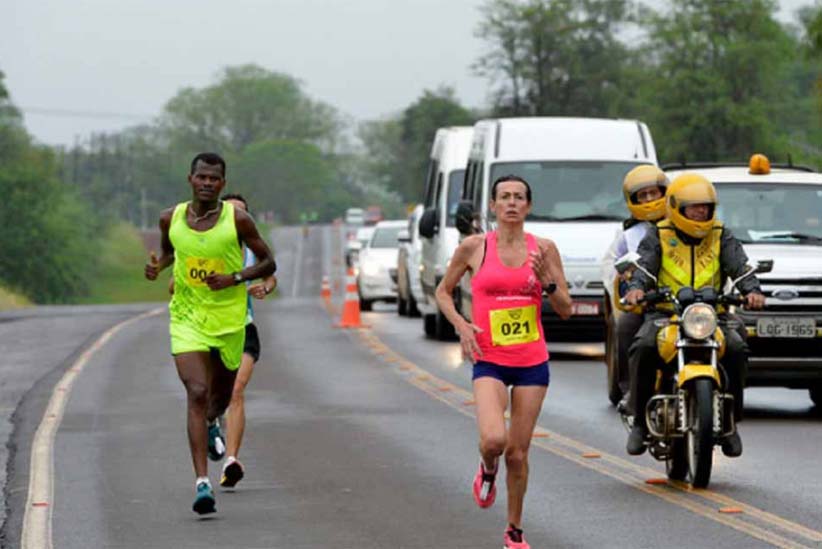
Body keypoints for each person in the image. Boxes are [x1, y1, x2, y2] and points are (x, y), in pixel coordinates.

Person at [435, 175, 572, 549]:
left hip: (531, 361)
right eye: (504, 197)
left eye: (519, 197)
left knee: (518, 452)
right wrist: (461, 325)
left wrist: (548, 283)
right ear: (493, 206)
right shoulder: (474, 247)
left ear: (528, 206)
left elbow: (565, 310)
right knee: (495, 440)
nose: (511, 203)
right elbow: (443, 292)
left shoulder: (544, 249)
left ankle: (514, 530)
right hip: (489, 358)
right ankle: (486, 469)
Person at [144, 152, 275, 515]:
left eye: (213, 179)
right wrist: (158, 266)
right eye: (201, 177)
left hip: (230, 321)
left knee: (218, 401)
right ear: (190, 179)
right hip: (187, 316)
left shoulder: (240, 221)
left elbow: (268, 263)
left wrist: (234, 278)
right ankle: (202, 482)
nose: (206, 183)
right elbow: (170, 252)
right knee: (196, 392)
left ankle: (214, 424)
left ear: (222, 184)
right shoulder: (171, 217)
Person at [623, 173, 765, 458]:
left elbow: (740, 266)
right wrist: (637, 289)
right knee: (643, 347)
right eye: (694, 206)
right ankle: (639, 421)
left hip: (713, 315)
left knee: (737, 348)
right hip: (666, 314)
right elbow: (645, 268)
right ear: (676, 207)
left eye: (706, 206)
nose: (701, 211)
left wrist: (752, 290)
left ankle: (732, 422)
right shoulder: (659, 234)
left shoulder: (720, 234)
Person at [219, 193, 278, 488]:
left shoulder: (253, 251)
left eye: (241, 213)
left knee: (236, 390)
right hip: (209, 330)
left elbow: (270, 276)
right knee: (210, 397)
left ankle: (231, 461)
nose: (235, 217)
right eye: (229, 211)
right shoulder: (207, 248)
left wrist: (265, 288)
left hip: (244, 327)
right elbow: (175, 282)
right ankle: (213, 423)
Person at [601, 165, 669, 410]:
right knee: (626, 327)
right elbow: (610, 265)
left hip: (686, 301)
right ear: (633, 200)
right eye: (644, 195)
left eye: (654, 193)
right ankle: (630, 390)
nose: (650, 200)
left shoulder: (685, 225)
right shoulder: (628, 234)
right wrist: (625, 282)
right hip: (646, 303)